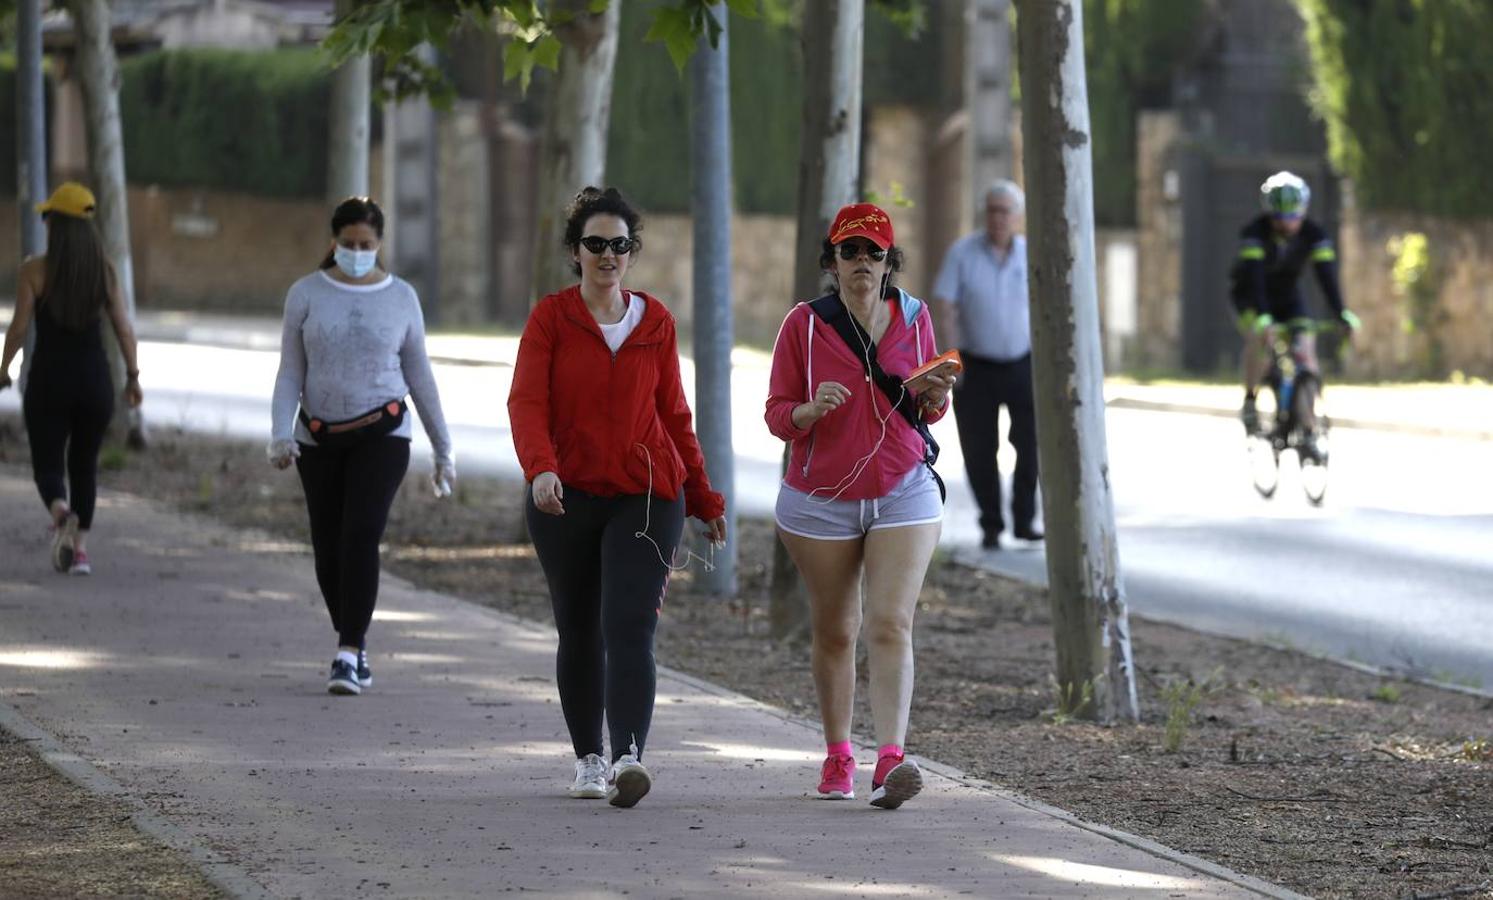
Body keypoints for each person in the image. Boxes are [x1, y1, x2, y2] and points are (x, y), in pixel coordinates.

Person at [507, 187, 727, 809]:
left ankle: (630, 755)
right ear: (576, 252)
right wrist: (541, 470)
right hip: (565, 495)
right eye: (596, 244)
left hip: (648, 494)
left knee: (628, 625)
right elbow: (527, 403)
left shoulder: (654, 321)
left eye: (620, 245)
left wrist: (704, 496)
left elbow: (674, 414)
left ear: (632, 254)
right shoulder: (551, 318)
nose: (608, 255)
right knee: (579, 628)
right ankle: (589, 759)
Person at [765, 202, 954, 809]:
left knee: (890, 622)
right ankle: (839, 753)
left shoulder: (916, 317)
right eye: (850, 252)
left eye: (875, 252)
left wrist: (936, 394)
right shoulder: (804, 325)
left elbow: (928, 411)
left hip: (903, 487)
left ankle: (892, 757)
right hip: (821, 501)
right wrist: (808, 411)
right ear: (833, 261)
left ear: (889, 262)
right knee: (836, 630)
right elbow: (776, 414)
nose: (863, 263)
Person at [268, 196, 455, 697]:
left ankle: (348, 651)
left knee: (361, 534)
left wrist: (443, 448)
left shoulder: (401, 298)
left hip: (383, 433)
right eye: (348, 244)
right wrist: (280, 433)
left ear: (379, 245)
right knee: (328, 552)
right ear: (334, 242)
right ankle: (353, 639)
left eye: (366, 245)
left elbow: (420, 374)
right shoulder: (306, 294)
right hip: (318, 436)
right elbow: (291, 370)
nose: (356, 252)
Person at [0, 182, 142, 576]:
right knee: (84, 466)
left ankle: (61, 513)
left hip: (48, 381)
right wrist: (132, 377)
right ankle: (80, 553)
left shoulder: (34, 270)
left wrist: (4, 368)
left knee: (47, 465)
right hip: (94, 383)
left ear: (55, 225)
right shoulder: (106, 272)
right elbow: (124, 330)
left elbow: (18, 328)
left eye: (48, 218)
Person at [932, 179, 1041, 551]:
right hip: (975, 365)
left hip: (1022, 363)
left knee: (1031, 443)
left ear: (1017, 217)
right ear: (985, 214)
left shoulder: (1030, 254)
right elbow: (945, 306)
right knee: (980, 449)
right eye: (992, 211)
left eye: (1005, 211)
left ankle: (1024, 520)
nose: (998, 218)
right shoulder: (963, 254)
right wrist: (951, 361)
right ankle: (991, 524)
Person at [1231, 171, 1359, 459]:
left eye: (1293, 217)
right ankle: (1250, 401)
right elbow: (1253, 280)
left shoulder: (1314, 235)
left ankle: (1309, 427)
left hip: (1288, 298)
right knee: (1260, 343)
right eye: (1280, 218)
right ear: (1269, 214)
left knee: (1306, 355)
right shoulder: (1255, 233)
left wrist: (1341, 313)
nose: (1287, 224)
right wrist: (1263, 319)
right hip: (1251, 297)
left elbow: (1326, 277)